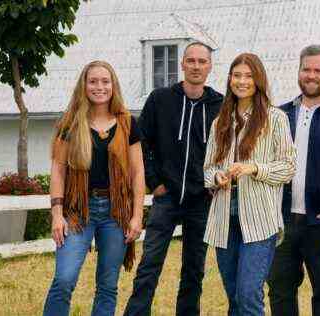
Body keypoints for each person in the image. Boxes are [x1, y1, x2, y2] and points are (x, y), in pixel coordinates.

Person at [124, 42, 223, 316]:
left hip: (201, 200)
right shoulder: (160, 99)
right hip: (165, 197)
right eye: (191, 60)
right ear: (182, 64)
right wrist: (154, 182)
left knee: (194, 270)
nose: (196, 66)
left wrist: (213, 182)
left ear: (209, 66)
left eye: (202, 62)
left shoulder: (220, 105)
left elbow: (228, 149)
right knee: (149, 266)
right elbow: (141, 143)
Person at [44, 60, 145, 316]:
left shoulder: (127, 123)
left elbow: (137, 172)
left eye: (105, 81)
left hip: (116, 213)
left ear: (113, 86)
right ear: (84, 85)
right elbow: (58, 170)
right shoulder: (69, 124)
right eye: (93, 81)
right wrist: (57, 214)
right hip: (78, 211)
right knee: (64, 279)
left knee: (108, 286)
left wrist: (137, 215)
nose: (99, 86)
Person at [203, 52, 296, 316]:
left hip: (259, 219)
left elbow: (289, 168)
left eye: (248, 76)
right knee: (234, 296)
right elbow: (208, 169)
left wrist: (254, 167)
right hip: (224, 218)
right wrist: (217, 177)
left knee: (248, 295)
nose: (242, 81)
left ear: (258, 80)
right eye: (237, 75)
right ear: (230, 79)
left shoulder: (275, 118)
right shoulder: (219, 122)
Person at [268, 44, 320, 316]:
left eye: (318, 70)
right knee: (280, 290)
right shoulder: (278, 115)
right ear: (299, 71)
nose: (311, 75)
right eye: (306, 69)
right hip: (281, 221)